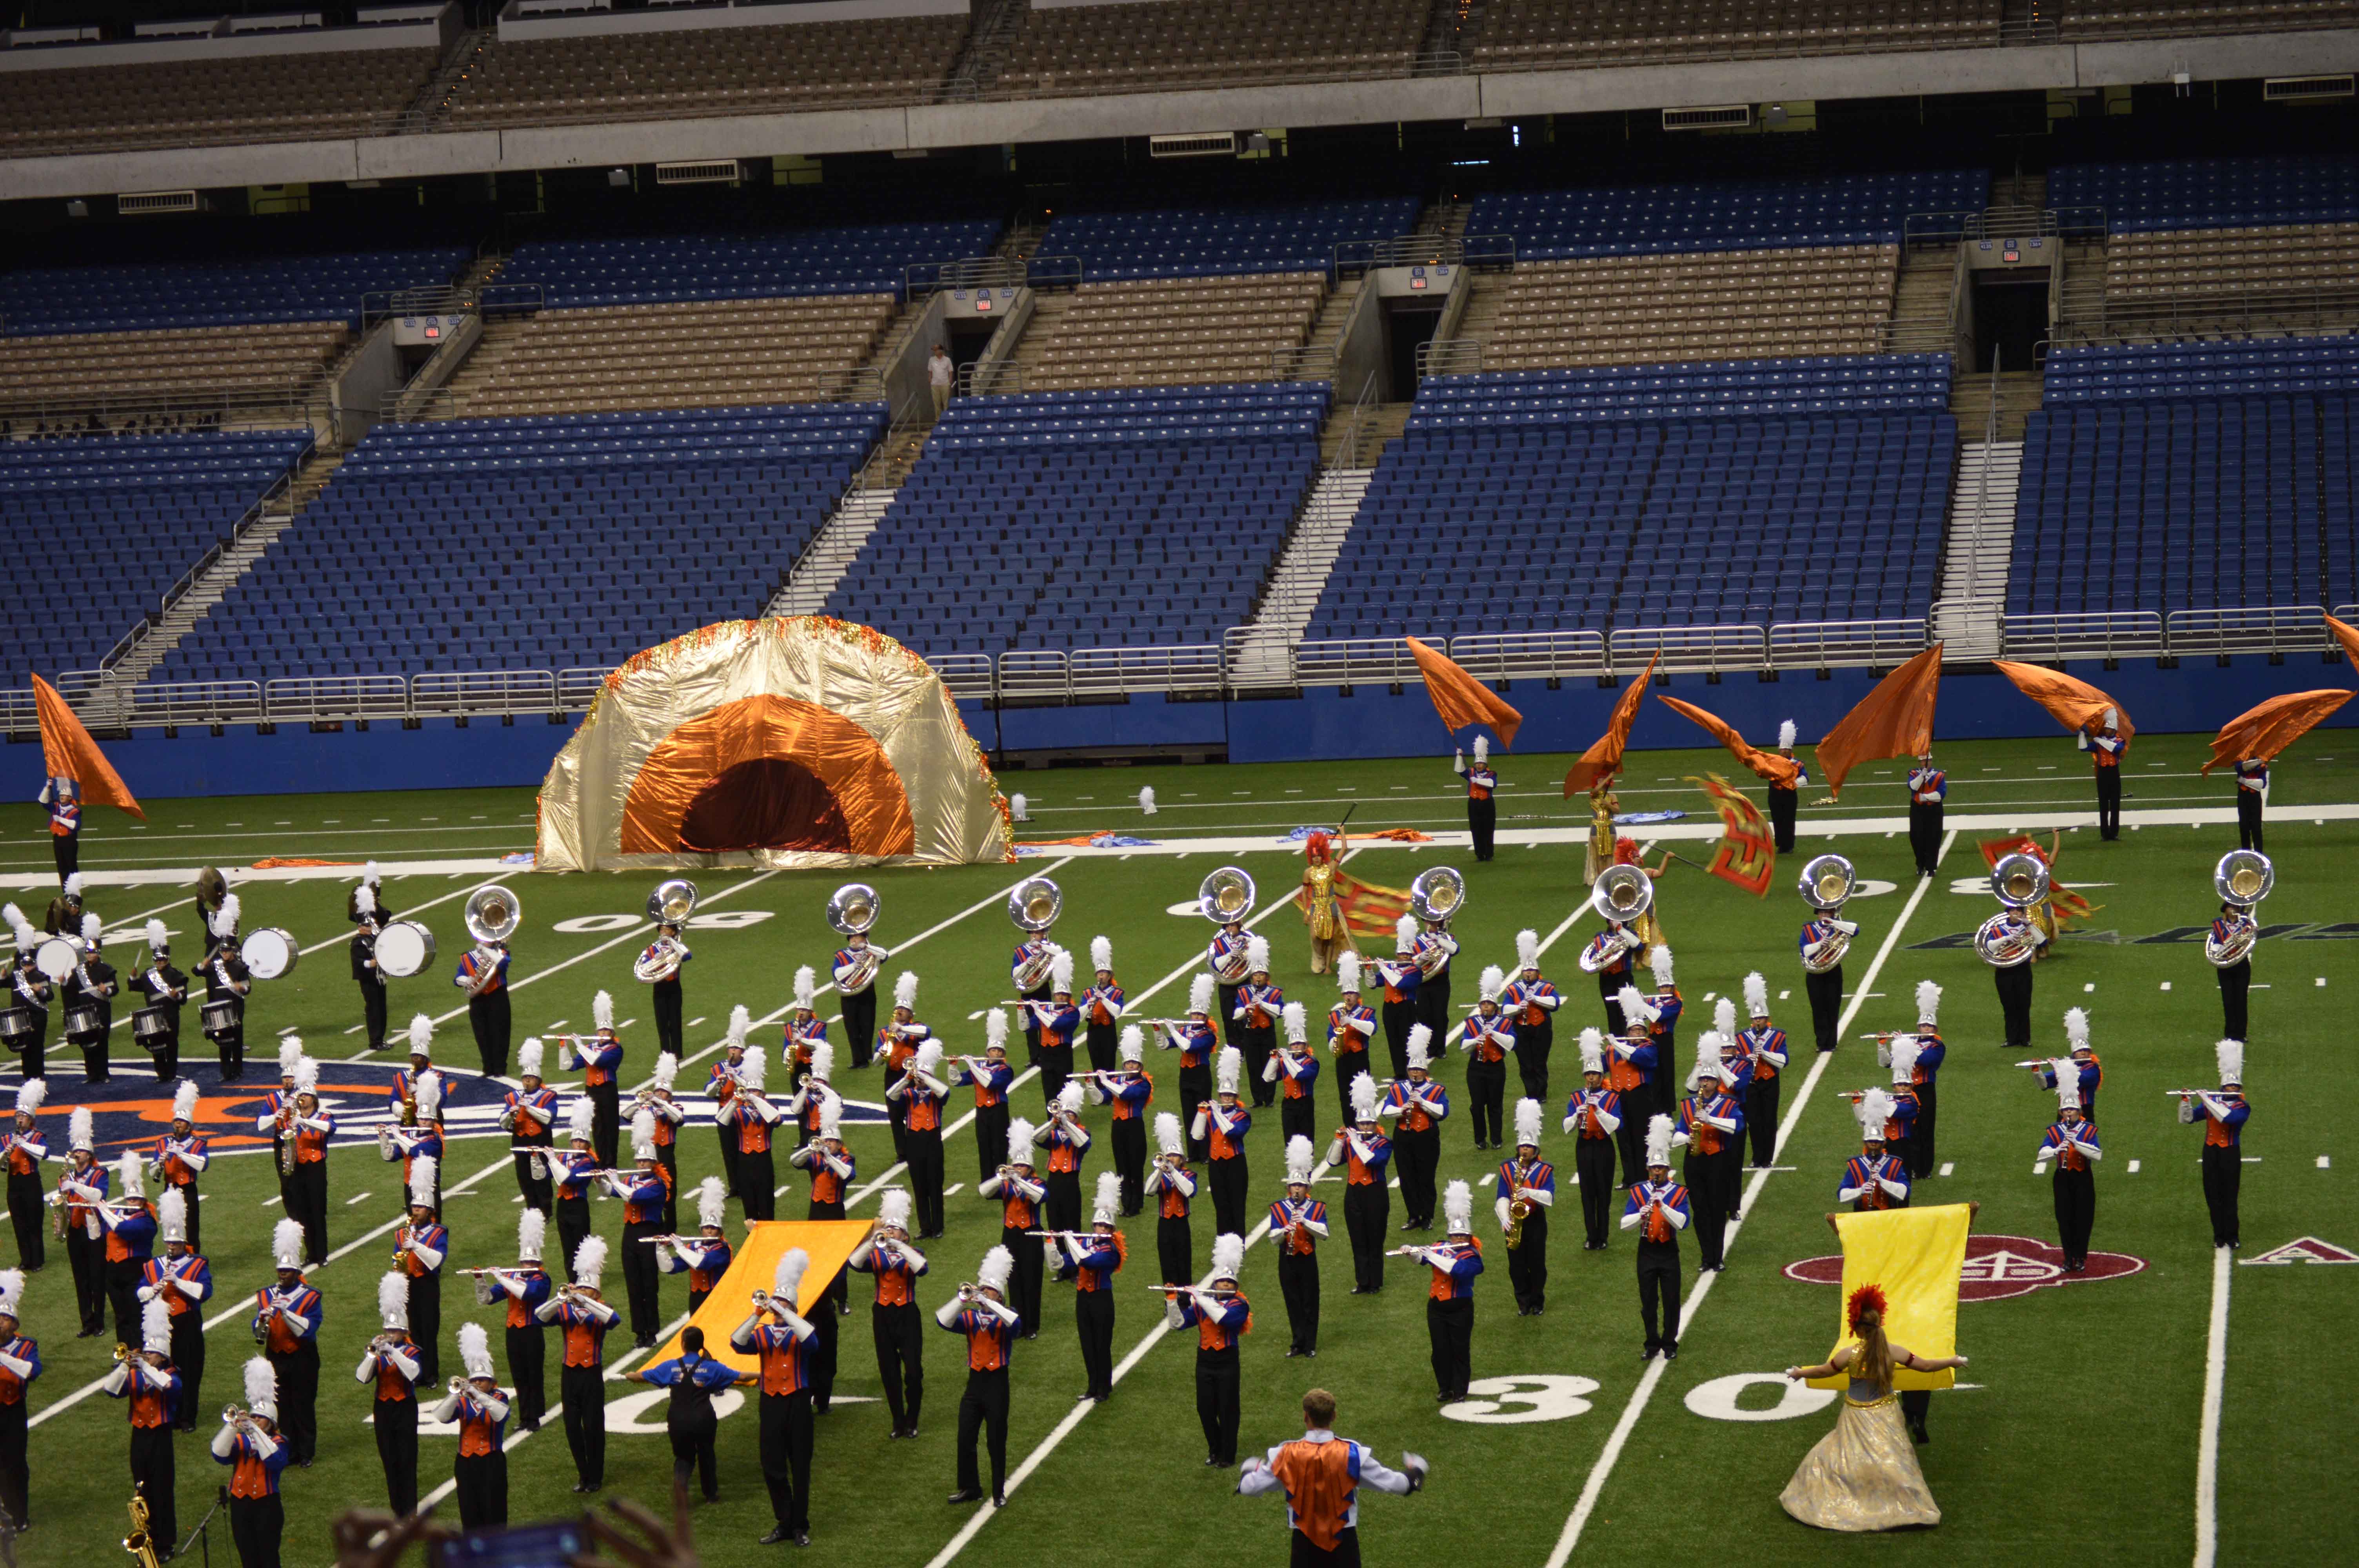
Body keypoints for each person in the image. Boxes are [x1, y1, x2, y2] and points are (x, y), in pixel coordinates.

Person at [1779, 1284, 1962, 1531]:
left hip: (1855, 1414)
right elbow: (1927, 1367)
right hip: (1886, 1412)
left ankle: (1857, 1498)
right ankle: (1907, 1508)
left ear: (1859, 1329)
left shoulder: (1848, 1355)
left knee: (1837, 1458)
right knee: (1895, 1459)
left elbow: (1824, 1371)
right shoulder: (1894, 1352)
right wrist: (1953, 1361)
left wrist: (1800, 1373)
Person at [1236, 1387, 1427, 1565]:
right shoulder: (1353, 1455)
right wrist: (1416, 1471)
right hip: (1344, 1545)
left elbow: (1248, 1487)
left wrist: (1250, 1469)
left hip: (1304, 1547)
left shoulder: (1286, 1455)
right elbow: (1400, 1485)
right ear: (1334, 1416)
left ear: (1306, 1417)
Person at [733, 1249, 818, 1546]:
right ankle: (784, 1521)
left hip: (797, 1401)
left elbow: (813, 1342)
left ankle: (800, 1525)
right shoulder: (763, 1332)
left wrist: (787, 1312)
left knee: (801, 1464)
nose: (776, 1306)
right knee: (772, 1464)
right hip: (770, 1402)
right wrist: (756, 1313)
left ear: (793, 1307)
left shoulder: (801, 1331)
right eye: (775, 1303)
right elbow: (736, 1343)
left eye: (782, 1303)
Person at [629, 1325, 749, 1509]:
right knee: (706, 1454)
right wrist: (765, 1375)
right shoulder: (712, 1367)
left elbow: (639, 1377)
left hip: (678, 1419)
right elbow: (742, 1376)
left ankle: (680, 1490)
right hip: (704, 1418)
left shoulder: (671, 1366)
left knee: (684, 1457)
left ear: (683, 1344)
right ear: (701, 1345)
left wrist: (629, 1374)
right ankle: (710, 1495)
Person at [941, 1245, 1020, 1508]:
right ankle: (970, 1487)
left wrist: (990, 1303)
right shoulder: (971, 1319)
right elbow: (943, 1321)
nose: (984, 1294)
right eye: (982, 1289)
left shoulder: (1007, 1317)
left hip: (998, 1384)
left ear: (1000, 1296)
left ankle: (999, 1491)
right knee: (965, 1436)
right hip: (975, 1384)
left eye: (990, 1291)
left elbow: (1016, 1325)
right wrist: (963, 1299)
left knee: (996, 1440)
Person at [538, 1236, 616, 1492]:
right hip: (569, 1374)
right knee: (572, 1427)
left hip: (592, 1374)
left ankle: (596, 1475)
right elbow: (540, 1317)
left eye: (586, 1289)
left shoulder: (602, 1308)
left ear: (596, 1292)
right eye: (580, 1289)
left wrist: (586, 1302)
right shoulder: (566, 1310)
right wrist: (563, 1298)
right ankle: (583, 1474)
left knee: (594, 1426)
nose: (581, 1292)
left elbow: (613, 1320)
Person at [1165, 1234, 1251, 1466]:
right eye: (1222, 1282)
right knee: (1205, 1409)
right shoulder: (1204, 1304)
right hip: (1204, 1362)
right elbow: (1178, 1324)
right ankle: (1215, 1450)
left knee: (1228, 1409)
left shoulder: (1240, 1305)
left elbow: (1223, 1319)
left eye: (1229, 1283)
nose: (1225, 1285)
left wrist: (1199, 1298)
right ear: (1215, 1284)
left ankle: (1228, 1455)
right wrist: (1172, 1300)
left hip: (1227, 1362)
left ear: (1235, 1286)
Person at [104, 1296, 182, 1551]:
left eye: (152, 1354)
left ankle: (166, 1542)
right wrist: (125, 1367)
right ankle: (147, 1538)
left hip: (161, 1439)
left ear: (162, 1357)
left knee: (162, 1492)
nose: (147, 1356)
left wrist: (144, 1368)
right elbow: (111, 1391)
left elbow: (166, 1387)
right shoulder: (137, 1374)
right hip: (139, 1437)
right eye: (147, 1353)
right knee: (142, 1489)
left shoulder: (172, 1376)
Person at [850, 1190, 928, 1435]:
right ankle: (898, 1421)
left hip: (907, 1315)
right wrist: (873, 1240)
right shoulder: (876, 1255)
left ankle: (912, 1419)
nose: (890, 1233)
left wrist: (898, 1245)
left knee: (914, 1372)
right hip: (882, 1316)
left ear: (905, 1235)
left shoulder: (915, 1254)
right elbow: (853, 1263)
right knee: (889, 1371)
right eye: (889, 1229)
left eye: (896, 1230)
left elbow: (922, 1269)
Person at [251, 1220, 322, 1467]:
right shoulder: (265, 1295)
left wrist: (287, 1312)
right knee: (281, 1405)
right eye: (280, 1271)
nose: (283, 1274)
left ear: (296, 1272)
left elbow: (309, 1329)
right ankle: (289, 1450)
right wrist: (263, 1320)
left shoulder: (311, 1296)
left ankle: (306, 1452)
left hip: (303, 1355)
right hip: (277, 1355)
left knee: (303, 1405)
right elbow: (258, 1333)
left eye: (287, 1271)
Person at [1406, 1183, 1482, 1403]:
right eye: (1455, 1236)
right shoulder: (1440, 1246)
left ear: (1468, 1238)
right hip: (1436, 1307)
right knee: (1439, 1351)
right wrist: (1411, 1253)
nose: (1458, 1240)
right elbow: (1421, 1260)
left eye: (1462, 1237)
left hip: (1460, 1308)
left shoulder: (1472, 1256)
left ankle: (1460, 1390)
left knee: (1459, 1350)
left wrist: (1431, 1255)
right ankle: (1445, 1387)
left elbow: (1456, 1271)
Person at [143, 1186, 212, 1428]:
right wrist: (153, 1290)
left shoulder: (198, 1264)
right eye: (169, 1243)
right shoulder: (153, 1266)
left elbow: (205, 1292)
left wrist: (178, 1282)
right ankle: (169, 1414)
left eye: (176, 1243)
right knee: (165, 1369)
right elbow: (139, 1292)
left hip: (187, 1323)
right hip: (163, 1325)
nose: (171, 1247)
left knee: (190, 1371)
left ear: (184, 1243)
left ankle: (188, 1417)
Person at [1621, 1115, 1689, 1361]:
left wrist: (1664, 1207)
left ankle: (1670, 1343)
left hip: (1669, 1250)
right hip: (1646, 1251)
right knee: (1648, 1301)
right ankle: (1651, 1343)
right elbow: (1624, 1225)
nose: (1657, 1172)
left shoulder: (1679, 1192)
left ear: (1667, 1170)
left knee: (1672, 1301)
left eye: (1661, 1169)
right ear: (1648, 1170)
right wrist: (1642, 1214)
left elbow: (1683, 1223)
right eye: (1653, 1168)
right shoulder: (1639, 1191)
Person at [358, 1272, 423, 1516]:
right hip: (383, 1408)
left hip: (405, 1407)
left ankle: (410, 1511)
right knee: (389, 1460)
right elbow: (362, 1378)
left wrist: (393, 1352)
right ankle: (398, 1510)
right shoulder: (378, 1352)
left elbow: (413, 1373)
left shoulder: (413, 1350)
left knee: (407, 1459)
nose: (391, 1334)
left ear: (404, 1332)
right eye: (389, 1329)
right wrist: (372, 1355)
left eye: (395, 1331)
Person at [214, 1359, 290, 1568]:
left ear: (271, 1423)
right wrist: (232, 1427)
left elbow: (274, 1461)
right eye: (254, 1417)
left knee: (268, 1558)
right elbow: (219, 1454)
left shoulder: (280, 1442)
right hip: (240, 1504)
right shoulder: (241, 1440)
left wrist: (254, 1431)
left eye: (261, 1418)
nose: (256, 1420)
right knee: (247, 1558)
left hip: (267, 1506)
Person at [436, 1322, 512, 1528]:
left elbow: (500, 1415)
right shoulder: (462, 1400)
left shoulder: (500, 1398)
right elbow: (442, 1417)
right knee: (469, 1511)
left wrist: (477, 1394)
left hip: (491, 1462)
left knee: (494, 1512)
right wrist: (455, 1395)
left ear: (492, 1383)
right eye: (475, 1380)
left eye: (483, 1380)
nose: (478, 1383)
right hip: (465, 1463)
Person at [482, 1209, 551, 1432]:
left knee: (533, 1375)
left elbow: (527, 1294)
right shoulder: (514, 1277)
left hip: (532, 1331)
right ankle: (525, 1417)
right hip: (513, 1331)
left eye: (531, 1262)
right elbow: (488, 1298)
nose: (527, 1266)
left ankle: (534, 1417)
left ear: (538, 1263)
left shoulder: (543, 1279)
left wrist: (503, 1277)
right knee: (519, 1375)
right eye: (525, 1262)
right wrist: (480, 1280)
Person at [1059, 1172, 1124, 1402]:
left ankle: (1104, 1388)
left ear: (1111, 1230)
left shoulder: (1111, 1251)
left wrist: (1069, 1241)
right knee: (1087, 1343)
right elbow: (1063, 1263)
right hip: (1083, 1298)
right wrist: (1051, 1245)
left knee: (1101, 1345)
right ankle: (1092, 1386)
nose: (1101, 1230)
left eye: (1106, 1227)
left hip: (1101, 1299)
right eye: (1098, 1225)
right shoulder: (1084, 1243)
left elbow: (1089, 1262)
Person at [609, 1112, 672, 1349]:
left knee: (649, 1284)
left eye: (646, 1162)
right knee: (634, 1285)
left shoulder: (658, 1185)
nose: (642, 1165)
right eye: (639, 1161)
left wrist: (616, 1181)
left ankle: (652, 1331)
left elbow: (634, 1199)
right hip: (630, 1235)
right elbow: (609, 1193)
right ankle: (639, 1332)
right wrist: (602, 1181)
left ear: (654, 1164)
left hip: (650, 1233)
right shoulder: (630, 1181)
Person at [2180, 1040, 2250, 1250]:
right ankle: (2219, 1235)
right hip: (2210, 1152)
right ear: (2222, 1087)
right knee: (2212, 1194)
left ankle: (2233, 1235)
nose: (2231, 1089)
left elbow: (2226, 1118)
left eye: (2235, 1087)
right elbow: (2188, 1119)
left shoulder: (2243, 1107)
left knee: (2230, 1195)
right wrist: (2186, 1101)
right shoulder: (2214, 1102)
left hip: (2230, 1153)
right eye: (2229, 1086)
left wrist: (2208, 1100)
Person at [980, 1119, 1046, 1338]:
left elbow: (1039, 1198)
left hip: (1031, 1234)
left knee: (1032, 1280)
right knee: (1014, 1279)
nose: (1018, 1169)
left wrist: (1018, 1181)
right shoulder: (1006, 1184)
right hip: (1011, 1234)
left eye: (1022, 1166)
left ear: (1030, 1168)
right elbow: (985, 1192)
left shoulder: (1038, 1183)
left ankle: (1032, 1326)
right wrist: (1000, 1178)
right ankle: (1018, 1323)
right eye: (1016, 1166)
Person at [1560, 1030, 1622, 1252]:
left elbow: (1617, 1125)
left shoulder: (1612, 1096)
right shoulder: (1577, 1097)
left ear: (1601, 1075)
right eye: (1589, 1075)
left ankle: (1603, 1235)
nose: (1592, 1078)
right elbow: (1566, 1127)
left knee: (1603, 1193)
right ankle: (1591, 1235)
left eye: (1595, 1074)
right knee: (1587, 1193)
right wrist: (1578, 1114)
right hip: (1584, 1145)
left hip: (1604, 1146)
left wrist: (1599, 1111)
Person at [2034, 1066, 2101, 1272]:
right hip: (2062, 1178)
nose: (2069, 1113)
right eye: (2066, 1110)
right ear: (2062, 1112)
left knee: (2083, 1218)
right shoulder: (2055, 1130)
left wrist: (2077, 1144)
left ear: (2079, 1112)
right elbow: (2041, 1154)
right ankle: (2068, 1257)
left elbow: (2098, 1154)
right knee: (2064, 1218)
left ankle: (2081, 1257)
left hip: (2083, 1177)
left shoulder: (2088, 1129)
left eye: (2072, 1110)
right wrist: (2057, 1150)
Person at [1329, 1077, 1392, 1293]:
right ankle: (1362, 1281)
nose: (1365, 1127)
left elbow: (1372, 1161)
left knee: (1375, 1237)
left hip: (1375, 1193)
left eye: (1369, 1124)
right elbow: (1333, 1161)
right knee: (1357, 1238)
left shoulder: (1384, 1143)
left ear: (1376, 1125)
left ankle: (1375, 1282)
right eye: (1362, 1124)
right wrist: (1339, 1140)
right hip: (1353, 1193)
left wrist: (1355, 1142)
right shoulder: (1350, 1141)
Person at [1380, 1027, 1445, 1231]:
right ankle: (1413, 1215)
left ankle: (1427, 1216)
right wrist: (1402, 1109)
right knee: (1407, 1178)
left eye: (1419, 1071)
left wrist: (1423, 1103)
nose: (1415, 1074)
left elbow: (1443, 1112)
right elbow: (1386, 1111)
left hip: (1427, 1137)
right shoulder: (1398, 1089)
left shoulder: (1436, 1090)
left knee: (1426, 1177)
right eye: (1413, 1070)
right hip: (1403, 1136)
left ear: (1426, 1072)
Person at [1267, 1136, 1327, 1357]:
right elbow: (1273, 1238)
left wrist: (1305, 1222)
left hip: (1308, 1257)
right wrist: (1286, 1230)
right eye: (1294, 1185)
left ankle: (1310, 1344)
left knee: (1310, 1301)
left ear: (1307, 1188)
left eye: (1301, 1186)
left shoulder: (1317, 1208)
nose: (1297, 1189)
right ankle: (1297, 1342)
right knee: (1292, 1301)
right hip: (1287, 1258)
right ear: (1288, 1187)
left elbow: (1324, 1234)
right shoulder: (1279, 1209)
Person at [55, 1108, 111, 1336]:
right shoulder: (68, 1176)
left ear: (89, 1155)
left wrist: (75, 1186)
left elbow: (98, 1195)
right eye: (75, 1150)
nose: (77, 1154)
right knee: (80, 1278)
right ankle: (86, 1322)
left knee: (97, 1277)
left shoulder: (100, 1173)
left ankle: (99, 1322)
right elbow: (63, 1200)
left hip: (93, 1231)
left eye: (81, 1151)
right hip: (75, 1230)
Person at [1496, 1100, 1553, 1315]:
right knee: (1517, 1266)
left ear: (1535, 1149)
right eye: (1522, 1147)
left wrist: (1530, 1193)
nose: (1525, 1151)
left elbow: (1549, 1197)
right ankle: (1523, 1302)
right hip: (1514, 1222)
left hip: (1536, 1221)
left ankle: (1537, 1301)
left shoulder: (1545, 1170)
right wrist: (1505, 1219)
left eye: (1528, 1147)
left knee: (1537, 1264)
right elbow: (1502, 1196)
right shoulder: (1507, 1168)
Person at [392, 1158, 446, 1383]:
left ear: (430, 1210)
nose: (416, 1211)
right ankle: (418, 1372)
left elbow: (437, 1261)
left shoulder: (439, 1232)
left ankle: (431, 1373)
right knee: (412, 1328)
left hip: (427, 1284)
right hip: (408, 1284)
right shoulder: (401, 1232)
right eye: (414, 1207)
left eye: (420, 1208)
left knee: (429, 1329)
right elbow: (396, 1258)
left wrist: (416, 1246)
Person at [97, 1151, 159, 1347]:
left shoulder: (147, 1221)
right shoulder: (117, 1214)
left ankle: (139, 1352)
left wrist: (105, 1211)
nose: (132, 1203)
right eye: (130, 1200)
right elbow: (97, 1232)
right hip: (113, 1271)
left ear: (143, 1202)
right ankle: (123, 1352)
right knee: (120, 1315)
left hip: (135, 1272)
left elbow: (124, 1230)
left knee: (135, 1315)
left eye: (136, 1200)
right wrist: (94, 1212)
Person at [890, 1040, 951, 1237]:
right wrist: (908, 1077)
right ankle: (925, 1227)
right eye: (918, 1077)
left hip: (933, 1140)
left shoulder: (936, 1093)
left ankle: (938, 1226)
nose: (919, 1080)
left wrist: (926, 1076)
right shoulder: (907, 1094)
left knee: (935, 1183)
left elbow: (945, 1092)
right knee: (919, 1185)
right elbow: (891, 1095)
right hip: (914, 1141)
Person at [1033, 1081, 1090, 1280]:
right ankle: (1062, 1268)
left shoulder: (1083, 1132)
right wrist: (1052, 1122)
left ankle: (1076, 1268)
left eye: (1070, 1114)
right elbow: (1037, 1138)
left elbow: (1082, 1143)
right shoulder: (1053, 1132)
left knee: (1072, 1226)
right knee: (1055, 1225)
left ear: (1076, 1116)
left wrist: (1065, 1124)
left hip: (1071, 1182)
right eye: (1064, 1114)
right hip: (1054, 1180)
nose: (1066, 1117)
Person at [280, 1060, 336, 1266]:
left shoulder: (324, 1117)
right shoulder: (292, 1119)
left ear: (314, 1099)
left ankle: (322, 1254)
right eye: (300, 1096)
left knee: (317, 1211)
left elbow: (328, 1129)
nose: (302, 1099)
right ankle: (311, 1253)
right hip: (299, 1168)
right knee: (302, 1213)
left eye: (305, 1096)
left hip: (316, 1168)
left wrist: (305, 1122)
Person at [1728, 975, 1787, 1169]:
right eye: (1755, 1019)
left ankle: (1768, 1157)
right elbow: (1736, 1061)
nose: (1758, 1022)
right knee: (1753, 1121)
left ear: (1767, 1019)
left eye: (1761, 1019)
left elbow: (1784, 1061)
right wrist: (1748, 1060)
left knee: (1769, 1120)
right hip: (1751, 1083)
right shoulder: (1742, 1037)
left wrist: (1765, 1054)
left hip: (1770, 1081)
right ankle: (1757, 1156)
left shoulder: (1778, 1035)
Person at [954, 1011, 1018, 1185]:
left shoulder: (1006, 1070)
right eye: (993, 1050)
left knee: (999, 1147)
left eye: (999, 1051)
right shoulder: (981, 1067)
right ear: (987, 1052)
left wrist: (973, 1067)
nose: (996, 1053)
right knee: (984, 1146)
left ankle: (1001, 1182)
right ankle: (987, 1182)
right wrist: (953, 1067)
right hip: (982, 1112)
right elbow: (958, 1081)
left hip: (998, 1111)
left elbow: (989, 1083)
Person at [1196, 1047, 1254, 1237]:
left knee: (1237, 1207)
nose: (1226, 1098)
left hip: (1236, 1164)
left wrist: (1217, 1113)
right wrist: (1201, 1114)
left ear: (1236, 1098)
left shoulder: (1242, 1115)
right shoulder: (1212, 1114)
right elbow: (1197, 1135)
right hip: (1216, 1164)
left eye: (1230, 1096)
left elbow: (1232, 1133)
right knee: (1221, 1207)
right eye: (1224, 1095)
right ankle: (1223, 1245)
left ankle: (1239, 1245)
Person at [1605, 992, 1659, 1189]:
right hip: (1619, 1098)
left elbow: (1636, 1057)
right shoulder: (1614, 1049)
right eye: (1633, 1030)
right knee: (1624, 1138)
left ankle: (1644, 1176)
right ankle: (1629, 1178)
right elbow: (1598, 1068)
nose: (1636, 1033)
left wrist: (1616, 1044)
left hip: (1640, 1097)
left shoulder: (1650, 1047)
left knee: (1641, 1137)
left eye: (1639, 1030)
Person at [1097, 1027, 1153, 1217]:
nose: (1130, 1066)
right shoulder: (1118, 1080)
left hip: (1134, 1127)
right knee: (1122, 1166)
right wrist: (1091, 1085)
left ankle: (1136, 1205)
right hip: (1118, 1126)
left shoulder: (1143, 1084)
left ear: (1140, 1066)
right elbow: (1100, 1098)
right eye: (1128, 1063)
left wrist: (1106, 1081)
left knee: (1135, 1167)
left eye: (1134, 1064)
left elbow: (1125, 1094)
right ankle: (1126, 1204)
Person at [1499, 930, 1560, 1105]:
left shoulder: (1546, 987)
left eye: (1532, 972)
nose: (1528, 974)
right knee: (1525, 1064)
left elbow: (1555, 1004)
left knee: (1540, 1062)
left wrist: (1536, 1000)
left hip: (1541, 1028)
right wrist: (1519, 1007)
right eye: (1526, 972)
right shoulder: (1514, 989)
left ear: (1537, 972)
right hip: (1521, 1028)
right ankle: (1531, 1092)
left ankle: (1541, 1093)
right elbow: (1505, 1009)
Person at [1459, 966, 1516, 1151]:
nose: (1486, 1007)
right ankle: (1480, 1138)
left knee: (1495, 1104)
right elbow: (1464, 1047)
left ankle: (1496, 1138)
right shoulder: (1472, 1023)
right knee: (1477, 1105)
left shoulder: (1505, 1023)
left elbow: (1511, 1044)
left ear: (1495, 1007)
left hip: (1496, 1067)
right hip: (1476, 1067)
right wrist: (1477, 1040)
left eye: (1489, 1005)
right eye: (1483, 1004)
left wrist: (1494, 1034)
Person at [567, 992, 624, 1171]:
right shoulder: (590, 1048)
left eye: (607, 1031)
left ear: (612, 1033)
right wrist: (564, 1046)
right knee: (598, 1126)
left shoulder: (616, 1049)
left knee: (611, 1125)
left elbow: (598, 1061)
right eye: (601, 1031)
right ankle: (601, 1161)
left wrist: (579, 1046)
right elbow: (569, 1066)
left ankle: (611, 1162)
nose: (603, 1034)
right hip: (591, 1090)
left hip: (607, 1090)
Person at [1163, 975, 1219, 1162]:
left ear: (1205, 1017)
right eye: (1193, 1015)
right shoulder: (1184, 1030)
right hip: (1185, 1075)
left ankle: (1206, 1153)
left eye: (1199, 1015)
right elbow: (1164, 1045)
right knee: (1188, 1113)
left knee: (1202, 1113)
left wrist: (1172, 1030)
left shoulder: (1208, 1035)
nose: (1195, 1018)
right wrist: (1157, 1030)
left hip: (1201, 1075)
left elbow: (1188, 1047)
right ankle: (1194, 1153)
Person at [152, 1089, 209, 1267]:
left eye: (182, 1122)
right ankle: (173, 1260)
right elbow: (152, 1173)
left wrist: (181, 1154)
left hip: (188, 1190)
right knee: (170, 1227)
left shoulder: (198, 1143)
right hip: (169, 1189)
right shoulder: (163, 1143)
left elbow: (203, 1165)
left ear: (189, 1125)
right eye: (176, 1121)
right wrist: (160, 1164)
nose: (178, 1125)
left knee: (191, 1230)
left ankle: (194, 1263)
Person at [0, 1269, 38, 1531]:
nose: (0, 1323)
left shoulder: (26, 1346)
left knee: (14, 1464)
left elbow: (31, 1371)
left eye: (4, 1319)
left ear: (15, 1324)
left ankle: (20, 1514)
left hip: (12, 1411)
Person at [129, 918, 188, 1085]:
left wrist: (176, 995)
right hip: (153, 1016)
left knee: (170, 1044)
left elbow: (183, 999)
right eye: (157, 961)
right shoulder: (148, 975)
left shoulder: (177, 975)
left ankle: (172, 1073)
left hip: (170, 1015)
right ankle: (161, 1074)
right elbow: (135, 986)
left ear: (168, 960)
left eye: (162, 961)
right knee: (156, 1045)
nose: (159, 963)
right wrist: (133, 976)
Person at [1020, 952, 1081, 1112]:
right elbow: (1027, 1027)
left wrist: (1038, 1011)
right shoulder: (1046, 1009)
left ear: (1068, 997)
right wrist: (1022, 1010)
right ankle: (1052, 1121)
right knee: (1049, 1091)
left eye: (1064, 995)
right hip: (1046, 1053)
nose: (1060, 998)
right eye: (1058, 995)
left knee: (1063, 1089)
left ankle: (1067, 1121)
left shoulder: (1072, 1012)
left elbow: (1055, 1025)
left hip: (1062, 1054)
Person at [727, 1043, 781, 1222]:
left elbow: (777, 1119)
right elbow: (721, 1120)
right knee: (749, 1207)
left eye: (755, 1091)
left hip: (764, 1160)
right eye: (749, 1091)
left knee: (766, 1205)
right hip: (744, 1161)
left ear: (762, 1093)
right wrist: (735, 1101)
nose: (751, 1094)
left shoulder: (769, 1108)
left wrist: (757, 1101)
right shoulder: (739, 1111)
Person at [503, 1038, 558, 1213]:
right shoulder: (513, 1097)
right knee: (524, 1178)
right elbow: (503, 1123)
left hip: (540, 1139)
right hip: (520, 1140)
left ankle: (545, 1210)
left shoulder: (547, 1096)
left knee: (541, 1176)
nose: (527, 1081)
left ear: (538, 1079)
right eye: (525, 1078)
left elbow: (549, 1117)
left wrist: (528, 1108)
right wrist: (511, 1113)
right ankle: (531, 1208)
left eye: (531, 1078)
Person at [455, 920, 513, 1080]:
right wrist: (466, 980)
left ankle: (500, 1067)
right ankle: (488, 1067)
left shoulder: (501, 953)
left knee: (500, 1032)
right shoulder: (467, 957)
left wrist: (485, 950)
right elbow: (457, 978)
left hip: (497, 996)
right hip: (477, 999)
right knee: (482, 1033)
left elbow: (502, 964)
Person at [203, 897, 253, 1081]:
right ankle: (226, 1072)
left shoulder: (240, 967)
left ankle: (238, 1070)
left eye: (227, 951)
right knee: (223, 1040)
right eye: (222, 951)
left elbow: (248, 989)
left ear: (232, 951)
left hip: (236, 1006)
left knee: (237, 1038)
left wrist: (241, 988)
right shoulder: (216, 965)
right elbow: (197, 972)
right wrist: (202, 966)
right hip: (220, 1006)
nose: (224, 953)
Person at [63, 914, 116, 1083]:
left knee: (101, 1042)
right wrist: (63, 981)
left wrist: (106, 990)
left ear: (98, 953)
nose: (89, 955)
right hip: (84, 1012)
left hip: (101, 1010)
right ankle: (92, 1074)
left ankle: (104, 1073)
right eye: (87, 952)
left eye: (92, 952)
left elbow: (115, 989)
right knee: (86, 1042)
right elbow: (70, 989)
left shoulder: (106, 969)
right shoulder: (79, 970)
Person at [1146, 1112, 1197, 1290]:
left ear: (1182, 1159)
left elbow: (1189, 1191)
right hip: (1165, 1224)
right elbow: (1149, 1191)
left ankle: (1185, 1300)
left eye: (1175, 1156)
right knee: (1167, 1265)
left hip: (1182, 1223)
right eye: (1169, 1156)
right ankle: (1171, 1301)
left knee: (1184, 1263)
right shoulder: (1161, 1175)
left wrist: (1173, 1172)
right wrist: (1160, 1170)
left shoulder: (1189, 1175)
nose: (1171, 1159)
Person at [1324, 952, 1376, 1125]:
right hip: (1343, 1058)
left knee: (1362, 1092)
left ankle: (1366, 1121)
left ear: (1358, 995)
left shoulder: (1367, 1012)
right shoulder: (1335, 1015)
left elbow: (1371, 1029)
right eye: (1346, 994)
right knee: (1344, 1094)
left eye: (1352, 994)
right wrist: (1336, 1042)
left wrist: (1351, 1021)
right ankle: (1349, 1126)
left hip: (1360, 1057)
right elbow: (1330, 1041)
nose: (1349, 997)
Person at [1838, 1092, 1911, 1213]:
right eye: (1870, 1141)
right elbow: (1842, 1195)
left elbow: (1905, 1191)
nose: (1873, 1144)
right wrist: (1861, 1191)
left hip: (1888, 1215)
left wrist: (1883, 1183)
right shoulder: (1856, 1165)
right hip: (1862, 1215)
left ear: (1884, 1143)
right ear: (1864, 1142)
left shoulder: (1894, 1164)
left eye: (1877, 1141)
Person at [1231, 939, 1282, 1111]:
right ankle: (1257, 1098)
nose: (1258, 978)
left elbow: (1278, 1013)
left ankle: (1269, 1098)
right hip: (1250, 1033)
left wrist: (1263, 1004)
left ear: (1266, 977)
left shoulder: (1274, 992)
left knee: (1269, 1063)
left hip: (1267, 1032)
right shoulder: (1244, 992)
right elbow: (1236, 1015)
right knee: (1253, 1066)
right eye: (1255, 975)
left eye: (1261, 975)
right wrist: (1247, 1009)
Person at [1577, 904, 1642, 1036]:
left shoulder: (1630, 935)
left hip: (1624, 977)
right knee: (1611, 1010)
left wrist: (1621, 930)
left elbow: (1639, 947)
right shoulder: (1600, 937)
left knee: (1625, 1010)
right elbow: (1593, 956)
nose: (1615, 922)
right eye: (1612, 919)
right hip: (1606, 979)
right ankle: (1616, 1038)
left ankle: (1628, 1037)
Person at [5, 909, 53, 1083]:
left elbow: (50, 996)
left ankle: (38, 1075)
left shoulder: (42, 977)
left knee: (36, 1047)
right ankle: (27, 1075)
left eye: (29, 963)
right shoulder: (16, 976)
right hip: (21, 1017)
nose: (26, 966)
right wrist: (3, 976)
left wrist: (40, 991)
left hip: (37, 1017)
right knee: (25, 1048)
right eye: (24, 963)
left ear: (34, 963)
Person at [552, 1100, 598, 1281]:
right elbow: (543, 1175)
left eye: (582, 1142)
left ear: (587, 1145)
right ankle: (573, 1281)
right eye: (576, 1141)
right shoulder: (563, 1157)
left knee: (581, 1246)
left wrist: (551, 1160)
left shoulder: (589, 1162)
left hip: (578, 1206)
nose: (578, 1144)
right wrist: (537, 1159)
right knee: (567, 1247)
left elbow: (570, 1178)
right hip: (562, 1206)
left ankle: (585, 1279)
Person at [1372, 916, 1421, 1082]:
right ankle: (1399, 1072)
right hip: (1389, 1007)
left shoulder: (1415, 971)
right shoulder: (1391, 967)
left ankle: (1412, 1069)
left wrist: (1383, 969)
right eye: (1401, 955)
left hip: (1406, 1008)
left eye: (1407, 955)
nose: (1403, 958)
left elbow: (1400, 984)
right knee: (1393, 1040)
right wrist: (1369, 971)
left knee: (1406, 1040)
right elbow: (1374, 984)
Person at [1, 1083, 44, 1272]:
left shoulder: (37, 1137)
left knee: (34, 1222)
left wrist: (22, 1144)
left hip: (31, 1183)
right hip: (14, 1183)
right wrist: (6, 1153)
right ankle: (25, 1260)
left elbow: (43, 1153)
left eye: (24, 1117)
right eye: (18, 1116)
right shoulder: (6, 1139)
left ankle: (37, 1261)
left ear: (31, 1120)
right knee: (19, 1223)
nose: (20, 1119)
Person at [833, 926, 889, 1073]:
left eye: (857, 937)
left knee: (867, 1026)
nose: (854, 940)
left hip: (867, 993)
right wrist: (853, 967)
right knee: (852, 1028)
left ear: (864, 939)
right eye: (852, 938)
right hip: (849, 995)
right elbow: (837, 974)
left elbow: (884, 955)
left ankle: (865, 1057)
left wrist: (867, 948)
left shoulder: (870, 953)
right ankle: (856, 1059)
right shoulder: (841, 955)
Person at [1298, 831, 1353, 976]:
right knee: (1316, 937)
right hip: (1316, 906)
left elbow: (1344, 849)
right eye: (1314, 856)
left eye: (1319, 856)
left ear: (1323, 855)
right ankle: (1319, 959)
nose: (1317, 859)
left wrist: (1342, 832)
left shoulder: (1331, 868)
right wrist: (1306, 912)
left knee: (1329, 937)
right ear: (1311, 857)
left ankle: (1328, 967)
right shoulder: (1308, 872)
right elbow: (1304, 892)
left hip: (1330, 906)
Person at [2037, 1008, 2103, 1127]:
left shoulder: (2093, 1069)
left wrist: (2059, 1067)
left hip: (2085, 1109)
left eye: (2086, 1050)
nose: (2084, 1053)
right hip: (2064, 1109)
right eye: (2080, 1051)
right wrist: (2037, 1071)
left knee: (2085, 1139)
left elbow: (2079, 1080)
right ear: (2074, 1053)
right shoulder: (2067, 1065)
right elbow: (2045, 1084)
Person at [350, 866, 391, 1053]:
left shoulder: (375, 938)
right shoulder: (359, 942)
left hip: (379, 977)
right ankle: (375, 1041)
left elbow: (385, 916)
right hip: (369, 979)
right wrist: (371, 963)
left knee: (381, 1008)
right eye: (366, 925)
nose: (369, 927)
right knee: (374, 1009)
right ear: (360, 927)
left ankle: (380, 1039)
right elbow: (358, 963)